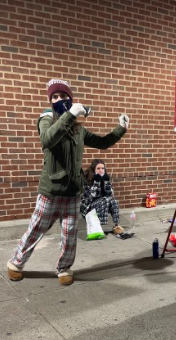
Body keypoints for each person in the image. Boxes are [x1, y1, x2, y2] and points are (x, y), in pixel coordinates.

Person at [7, 79, 129, 286]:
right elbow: (47, 140)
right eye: (55, 97)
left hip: (73, 192)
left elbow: (102, 142)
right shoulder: (46, 120)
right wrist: (71, 113)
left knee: (69, 235)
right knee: (36, 229)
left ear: (70, 98)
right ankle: (16, 263)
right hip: (51, 192)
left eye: (63, 96)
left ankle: (64, 268)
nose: (59, 99)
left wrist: (121, 129)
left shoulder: (78, 129)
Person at [80, 159, 123, 235]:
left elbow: (110, 194)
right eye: (98, 168)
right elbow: (89, 198)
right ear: (94, 170)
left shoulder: (105, 178)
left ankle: (117, 226)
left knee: (113, 200)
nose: (101, 170)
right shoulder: (87, 179)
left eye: (102, 168)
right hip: (88, 206)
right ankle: (99, 226)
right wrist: (96, 182)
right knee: (106, 199)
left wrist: (106, 182)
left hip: (103, 204)